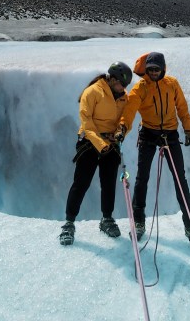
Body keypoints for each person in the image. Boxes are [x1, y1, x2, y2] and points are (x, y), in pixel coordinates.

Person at [116, 52, 190, 247]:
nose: (154, 72)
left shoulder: (172, 84)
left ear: (163, 68)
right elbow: (129, 111)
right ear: (146, 70)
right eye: (150, 69)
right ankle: (139, 222)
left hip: (170, 135)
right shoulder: (140, 88)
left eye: (157, 69)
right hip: (148, 134)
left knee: (180, 180)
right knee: (142, 178)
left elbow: (181, 107)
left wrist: (188, 129)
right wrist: (122, 128)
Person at [59, 61, 133, 246]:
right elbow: (86, 122)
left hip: (111, 142)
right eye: (121, 84)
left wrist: (122, 131)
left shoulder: (123, 97)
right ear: (112, 79)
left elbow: (125, 119)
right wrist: (101, 145)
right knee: (81, 182)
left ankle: (106, 219)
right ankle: (68, 223)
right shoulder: (92, 92)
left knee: (108, 183)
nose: (123, 89)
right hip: (89, 141)